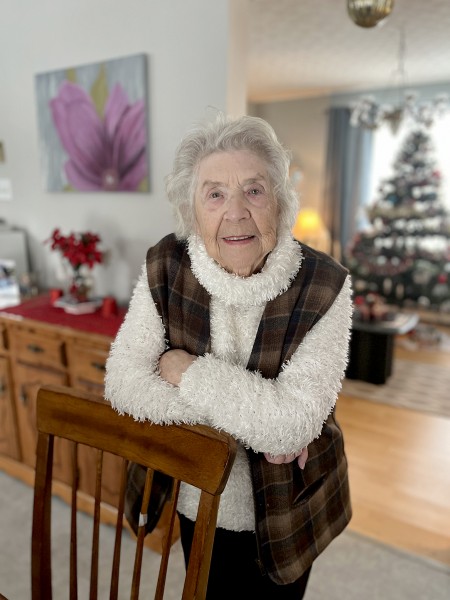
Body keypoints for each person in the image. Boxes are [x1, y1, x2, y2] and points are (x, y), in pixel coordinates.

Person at [104, 112, 353, 599]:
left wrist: (182, 369)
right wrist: (262, 415)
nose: (235, 212)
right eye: (214, 194)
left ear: (280, 200)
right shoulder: (166, 264)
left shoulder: (326, 283)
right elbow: (123, 382)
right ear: (191, 211)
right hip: (197, 496)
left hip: (290, 502)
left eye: (254, 190)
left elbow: (293, 425)